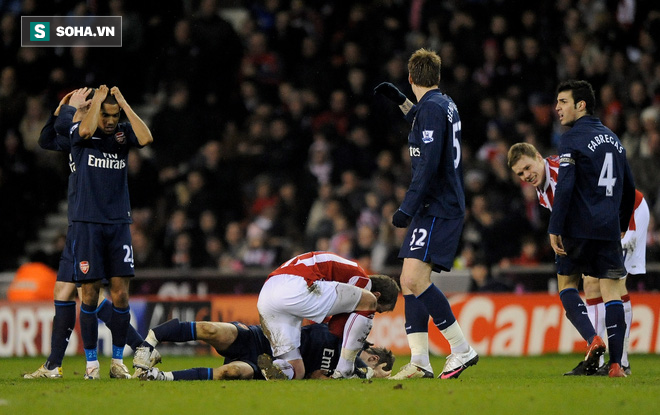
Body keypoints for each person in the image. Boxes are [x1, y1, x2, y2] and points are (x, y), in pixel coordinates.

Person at [24, 88, 147, 379]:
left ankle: (128, 347)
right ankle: (58, 364)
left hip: (90, 221)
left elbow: (86, 127)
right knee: (70, 291)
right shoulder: (74, 133)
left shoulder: (93, 131)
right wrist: (64, 107)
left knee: (77, 292)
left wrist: (74, 107)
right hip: (81, 221)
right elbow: (45, 139)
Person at [373, 48, 478, 380]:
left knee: (415, 279)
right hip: (436, 204)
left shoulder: (432, 109)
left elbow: (430, 163)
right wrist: (404, 103)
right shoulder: (442, 104)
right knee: (408, 281)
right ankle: (420, 360)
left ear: (410, 76)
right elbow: (424, 123)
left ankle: (461, 349)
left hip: (437, 204)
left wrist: (407, 206)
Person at [508, 141, 646, 376]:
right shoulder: (543, 184)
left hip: (626, 213)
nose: (526, 176)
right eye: (520, 173)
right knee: (591, 285)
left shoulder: (562, 174)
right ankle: (595, 353)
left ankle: (621, 362)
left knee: (613, 283)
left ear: (539, 157)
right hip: (596, 223)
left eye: (528, 168)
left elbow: (596, 200)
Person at [547, 80, 635, 378]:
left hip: (579, 227)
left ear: (580, 105)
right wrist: (620, 225)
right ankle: (615, 365)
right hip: (608, 229)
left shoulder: (571, 138)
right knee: (613, 293)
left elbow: (566, 184)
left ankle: (592, 339)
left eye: (562, 102)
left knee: (567, 284)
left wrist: (555, 226)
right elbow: (628, 188)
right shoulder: (615, 140)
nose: (557, 108)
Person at [70, 84, 153, 380]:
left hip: (118, 223)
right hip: (88, 223)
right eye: (106, 115)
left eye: (114, 117)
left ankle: (117, 362)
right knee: (89, 294)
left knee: (121, 295)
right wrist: (97, 104)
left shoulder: (122, 133)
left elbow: (145, 137)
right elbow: (82, 131)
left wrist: (124, 104)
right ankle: (91, 364)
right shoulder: (82, 131)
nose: (110, 122)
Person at [251, 251, 399, 380]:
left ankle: (278, 368)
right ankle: (345, 371)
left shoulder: (347, 278)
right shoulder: (363, 281)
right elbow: (337, 330)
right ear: (377, 294)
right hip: (297, 285)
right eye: (378, 310)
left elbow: (331, 328)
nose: (373, 313)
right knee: (368, 301)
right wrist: (364, 366)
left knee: (296, 369)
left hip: (268, 294)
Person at [132, 318, 394, 381]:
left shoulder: (349, 373)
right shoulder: (345, 331)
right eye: (376, 364)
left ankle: (161, 377)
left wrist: (370, 375)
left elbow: (318, 378)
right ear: (373, 357)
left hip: (268, 365)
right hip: (262, 340)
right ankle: (149, 342)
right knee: (212, 330)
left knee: (231, 371)